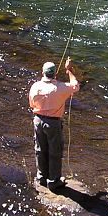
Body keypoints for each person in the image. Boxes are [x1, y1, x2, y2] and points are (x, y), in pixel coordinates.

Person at [28, 57, 79, 191]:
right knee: (55, 151)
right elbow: (75, 86)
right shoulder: (61, 87)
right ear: (55, 73)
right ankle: (54, 181)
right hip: (53, 123)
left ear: (42, 72)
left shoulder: (35, 86)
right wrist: (69, 70)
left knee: (40, 149)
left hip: (38, 121)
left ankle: (41, 177)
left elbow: (31, 104)